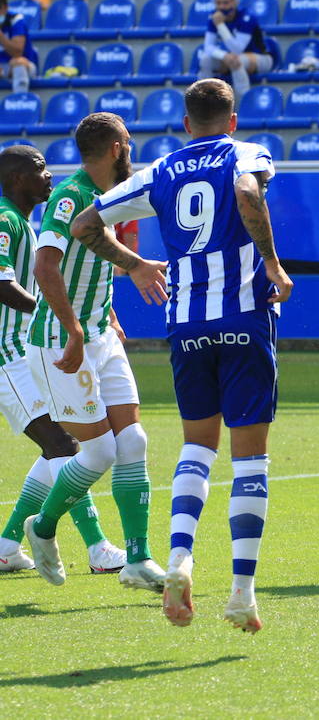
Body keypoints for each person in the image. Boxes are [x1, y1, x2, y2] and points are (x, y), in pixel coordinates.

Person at [70, 78, 290, 633]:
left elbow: (84, 225)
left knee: (197, 446)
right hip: (242, 319)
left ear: (186, 124)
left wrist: (135, 266)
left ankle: (178, 561)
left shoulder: (161, 170)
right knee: (250, 457)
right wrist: (270, 262)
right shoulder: (247, 152)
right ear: (232, 121)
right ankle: (241, 592)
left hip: (187, 327)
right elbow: (246, 192)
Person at [21, 113, 164, 591]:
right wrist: (74, 329)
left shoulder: (108, 199)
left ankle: (138, 560)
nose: (132, 150)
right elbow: (45, 266)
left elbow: (93, 260)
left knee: (134, 443)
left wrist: (107, 315)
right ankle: (40, 529)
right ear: (118, 148)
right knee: (99, 450)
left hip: (101, 335)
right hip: (62, 341)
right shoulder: (71, 197)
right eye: (129, 142)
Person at [0, 146, 123, 575]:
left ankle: (7, 543)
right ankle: (98, 548)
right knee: (63, 444)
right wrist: (54, 312)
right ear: (16, 179)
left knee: (60, 444)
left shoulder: (23, 221)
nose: (49, 175)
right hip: (7, 356)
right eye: (39, 169)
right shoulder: (5, 219)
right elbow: (1, 283)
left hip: (22, 352)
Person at [198, 0, 271, 97]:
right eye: (218, 3)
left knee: (237, 60)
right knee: (206, 60)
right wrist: (223, 56)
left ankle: (243, 102)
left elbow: (237, 49)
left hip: (261, 58)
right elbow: (208, 47)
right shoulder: (213, 17)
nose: (222, 7)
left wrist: (220, 25)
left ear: (234, 2)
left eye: (226, 3)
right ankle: (203, 100)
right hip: (231, 57)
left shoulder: (247, 17)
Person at [0, 0, 38, 94]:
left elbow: (17, 53)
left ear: (5, 8)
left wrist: (1, 37)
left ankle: (20, 99)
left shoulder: (16, 21)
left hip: (25, 65)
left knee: (18, 63)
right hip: (2, 67)